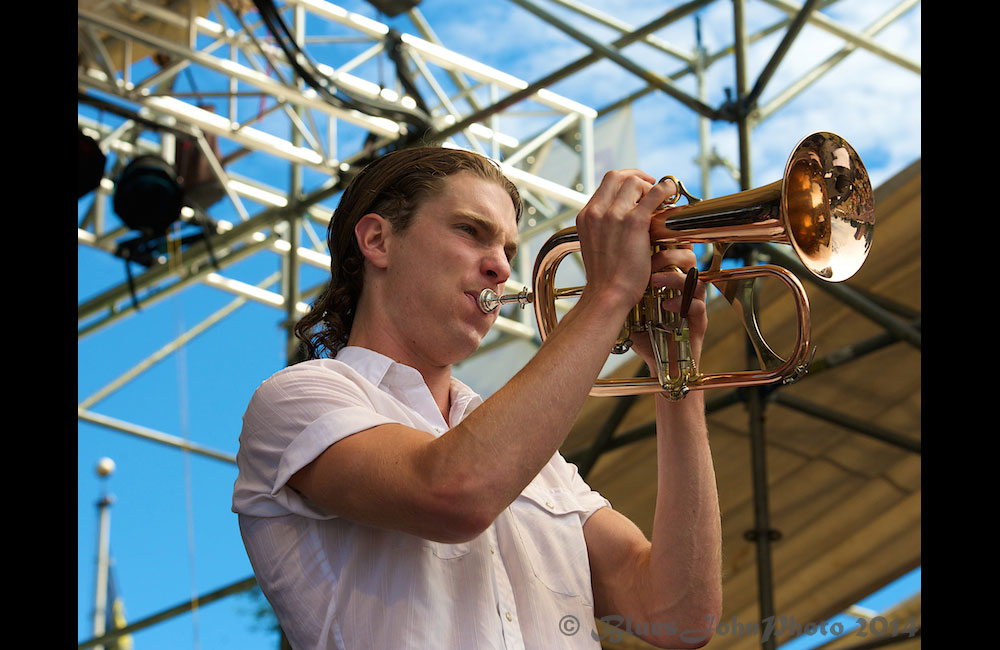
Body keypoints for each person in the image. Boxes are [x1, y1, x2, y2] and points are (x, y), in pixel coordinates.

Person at [232, 146, 722, 650]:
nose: (501, 268)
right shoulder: (297, 399)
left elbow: (677, 612)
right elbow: (453, 493)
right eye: (470, 231)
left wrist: (676, 368)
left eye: (508, 250)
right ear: (378, 240)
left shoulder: (534, 457)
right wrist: (610, 293)